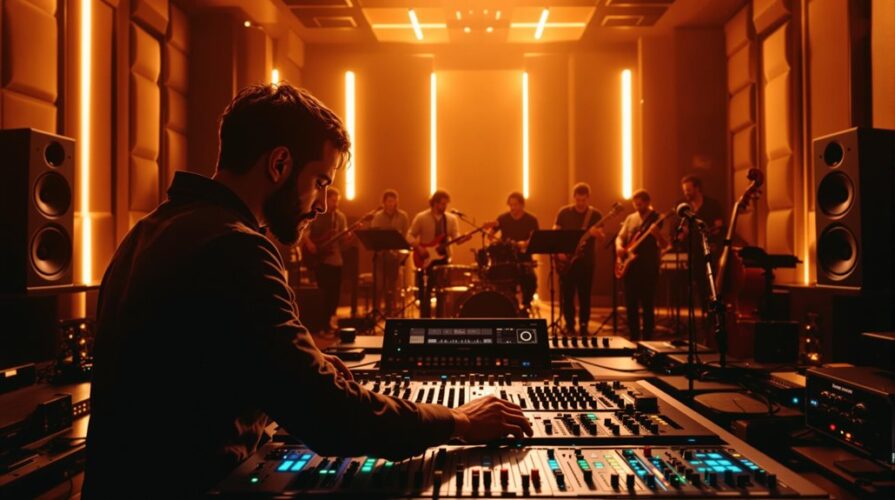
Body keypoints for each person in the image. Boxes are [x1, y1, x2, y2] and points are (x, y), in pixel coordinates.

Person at [84, 83, 531, 496]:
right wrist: (457, 420)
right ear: (279, 164)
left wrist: (295, 371)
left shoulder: (149, 231)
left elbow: (192, 382)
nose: (320, 204)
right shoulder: (237, 247)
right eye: (320, 181)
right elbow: (333, 418)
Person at [615, 190, 668, 341]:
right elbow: (620, 237)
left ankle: (647, 338)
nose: (638, 207)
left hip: (649, 267)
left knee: (647, 304)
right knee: (631, 304)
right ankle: (633, 337)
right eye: (635, 204)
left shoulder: (657, 218)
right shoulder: (630, 218)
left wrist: (657, 234)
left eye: (640, 204)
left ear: (648, 202)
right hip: (630, 267)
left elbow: (665, 245)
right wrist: (619, 247)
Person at [553, 183, 605, 335]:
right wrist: (559, 253)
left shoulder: (595, 215)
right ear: (574, 198)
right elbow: (555, 234)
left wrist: (597, 234)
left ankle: (583, 324)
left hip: (586, 261)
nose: (580, 203)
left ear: (588, 198)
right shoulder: (563, 213)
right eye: (578, 200)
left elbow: (602, 237)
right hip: (566, 261)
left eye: (583, 200)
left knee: (585, 295)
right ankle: (569, 324)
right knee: (567, 295)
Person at [407, 190, 467, 318]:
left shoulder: (451, 219)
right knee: (425, 291)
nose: (444, 206)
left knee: (442, 291)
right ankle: (425, 318)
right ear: (434, 203)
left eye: (446, 204)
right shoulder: (421, 217)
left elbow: (455, 237)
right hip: (425, 258)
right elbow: (409, 235)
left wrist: (463, 239)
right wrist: (418, 247)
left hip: (443, 258)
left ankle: (441, 317)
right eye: (442, 204)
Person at [303, 187, 348, 328]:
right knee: (324, 292)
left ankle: (329, 320)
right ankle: (322, 322)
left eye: (337, 201)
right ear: (326, 200)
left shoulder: (340, 217)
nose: (336, 203)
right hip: (321, 260)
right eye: (333, 200)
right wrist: (310, 244)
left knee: (335, 293)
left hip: (336, 260)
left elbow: (343, 240)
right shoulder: (316, 214)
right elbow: (304, 232)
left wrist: (347, 237)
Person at [492, 192, 540, 310]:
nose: (512, 208)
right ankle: (509, 305)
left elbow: (535, 238)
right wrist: (495, 241)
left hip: (524, 258)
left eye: (515, 205)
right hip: (506, 259)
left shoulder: (531, 219)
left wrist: (524, 244)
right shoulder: (502, 218)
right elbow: (491, 234)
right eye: (510, 205)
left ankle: (526, 304)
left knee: (531, 280)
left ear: (522, 205)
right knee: (503, 281)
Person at [370, 189, 410, 316]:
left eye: (394, 201)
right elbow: (374, 235)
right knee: (379, 286)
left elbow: (405, 235)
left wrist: (400, 252)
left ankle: (389, 312)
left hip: (395, 257)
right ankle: (376, 311)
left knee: (391, 286)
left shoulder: (403, 216)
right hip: (381, 256)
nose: (391, 203)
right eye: (389, 201)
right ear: (384, 202)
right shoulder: (377, 216)